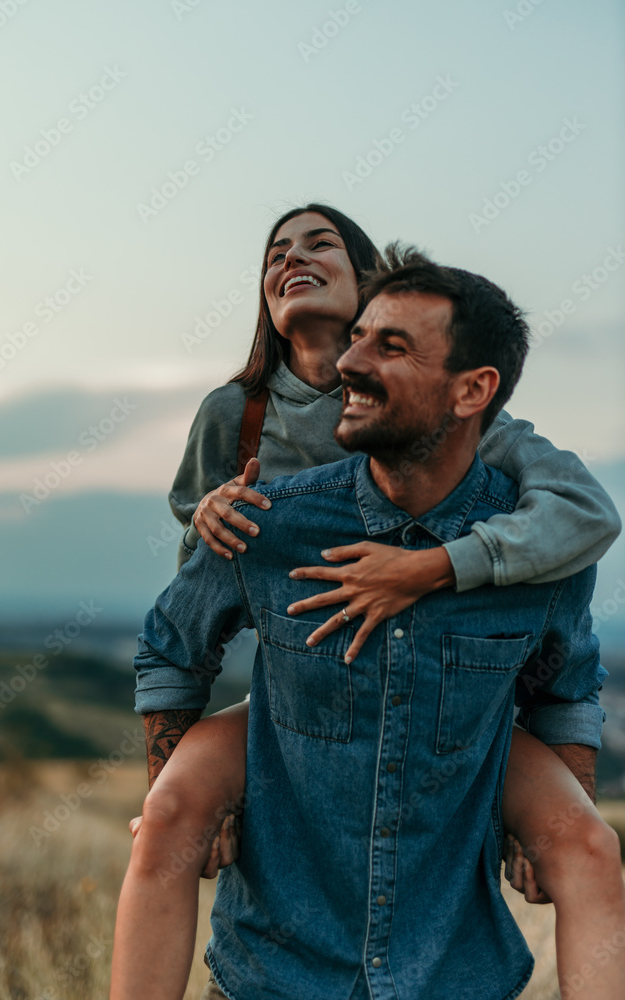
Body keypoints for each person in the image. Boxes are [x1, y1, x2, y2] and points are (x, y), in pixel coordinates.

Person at [110, 209, 623, 1000]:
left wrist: (434, 568)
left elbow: (578, 581)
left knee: (589, 848)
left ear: (470, 390)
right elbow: (179, 630)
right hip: (296, 686)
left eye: (387, 343)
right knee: (170, 814)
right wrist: (218, 522)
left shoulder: (513, 475)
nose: (354, 360)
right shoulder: (247, 448)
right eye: (274, 252)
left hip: (462, 705)